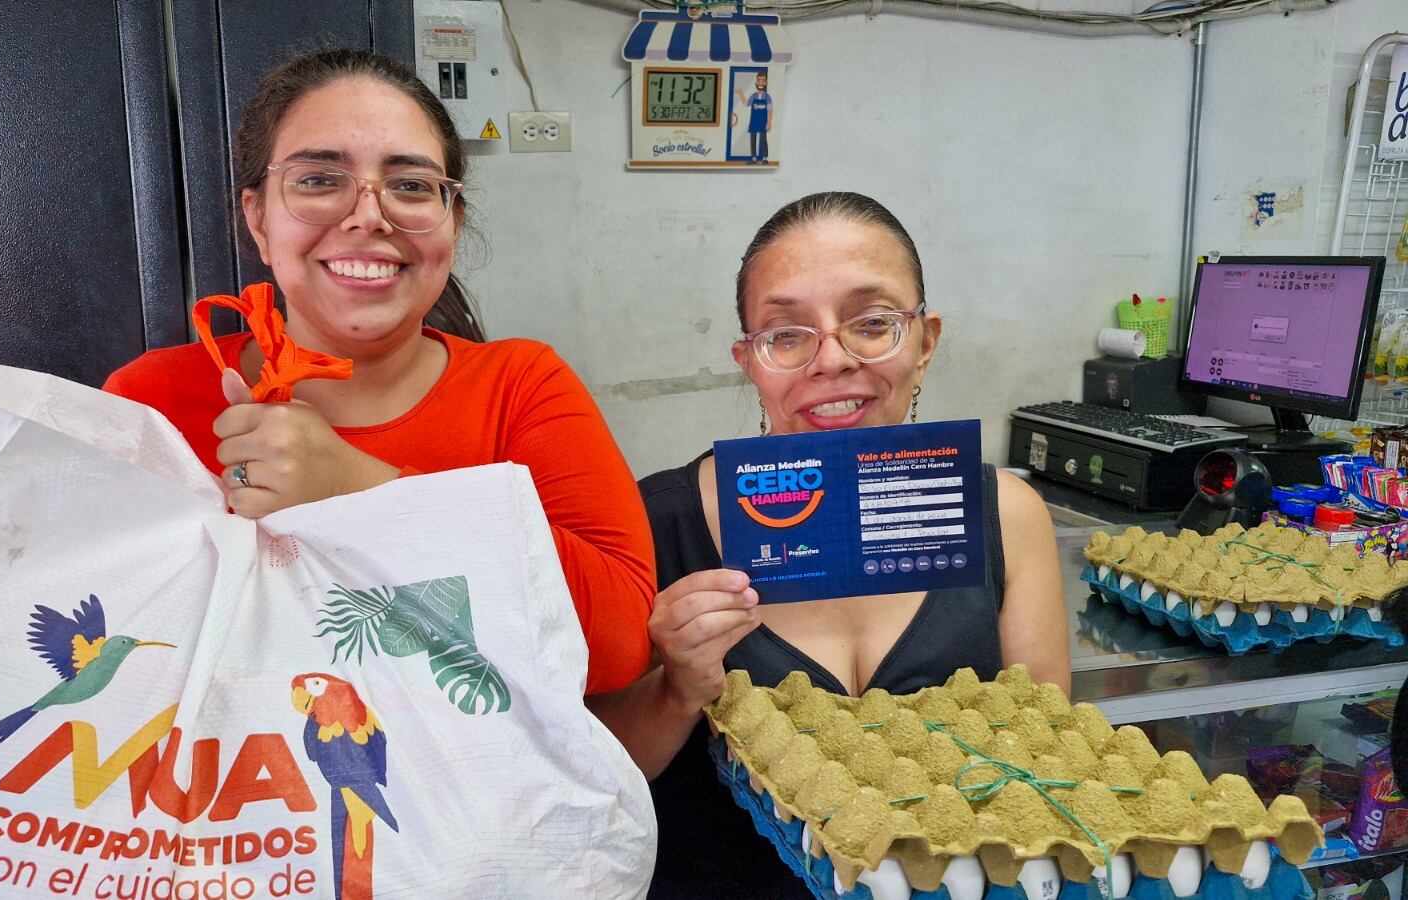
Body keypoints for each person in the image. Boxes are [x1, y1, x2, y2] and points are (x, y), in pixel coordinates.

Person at [103, 48, 655, 696]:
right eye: (318, 180)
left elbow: (618, 648)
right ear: (258, 217)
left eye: (412, 185)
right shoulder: (150, 401)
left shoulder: (520, 387)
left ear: (453, 220)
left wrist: (362, 488)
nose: (369, 215)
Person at [587, 192, 1070, 897]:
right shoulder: (650, 521)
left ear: (926, 340)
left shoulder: (1007, 515)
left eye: (872, 324)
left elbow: (1048, 772)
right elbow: (592, 783)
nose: (831, 360)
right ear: (749, 361)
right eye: (786, 335)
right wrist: (674, 691)